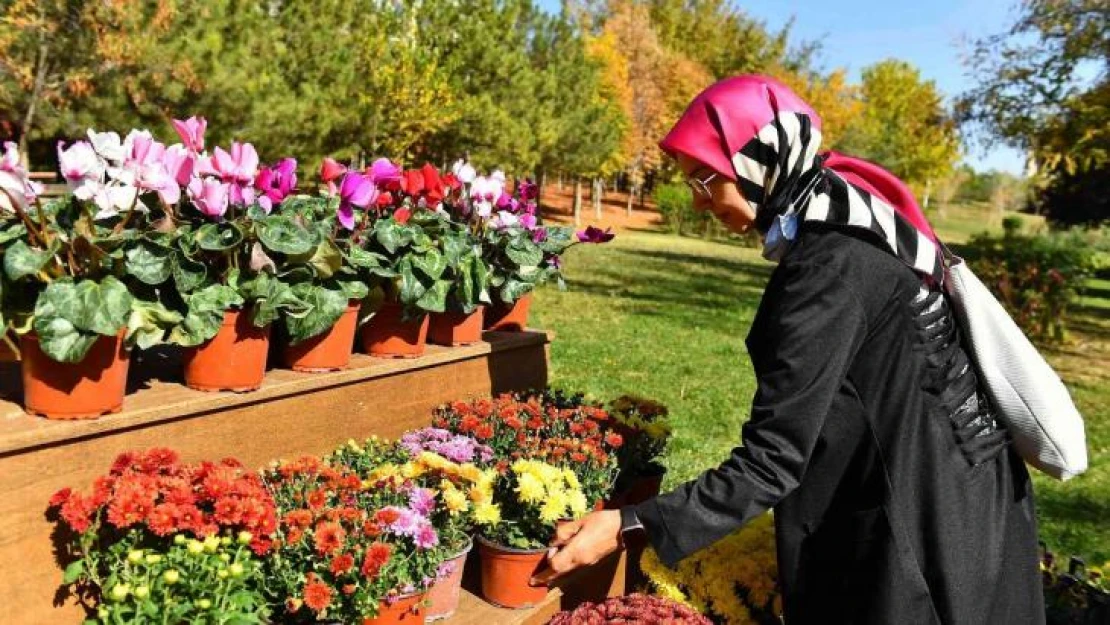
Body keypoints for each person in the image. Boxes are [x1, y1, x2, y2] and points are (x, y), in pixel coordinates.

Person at [530, 75, 1044, 624]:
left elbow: (774, 459)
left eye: (706, 178)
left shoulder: (827, 271)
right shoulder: (857, 221)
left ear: (759, 160)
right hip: (973, 498)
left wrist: (630, 524)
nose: (700, 201)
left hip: (921, 528)